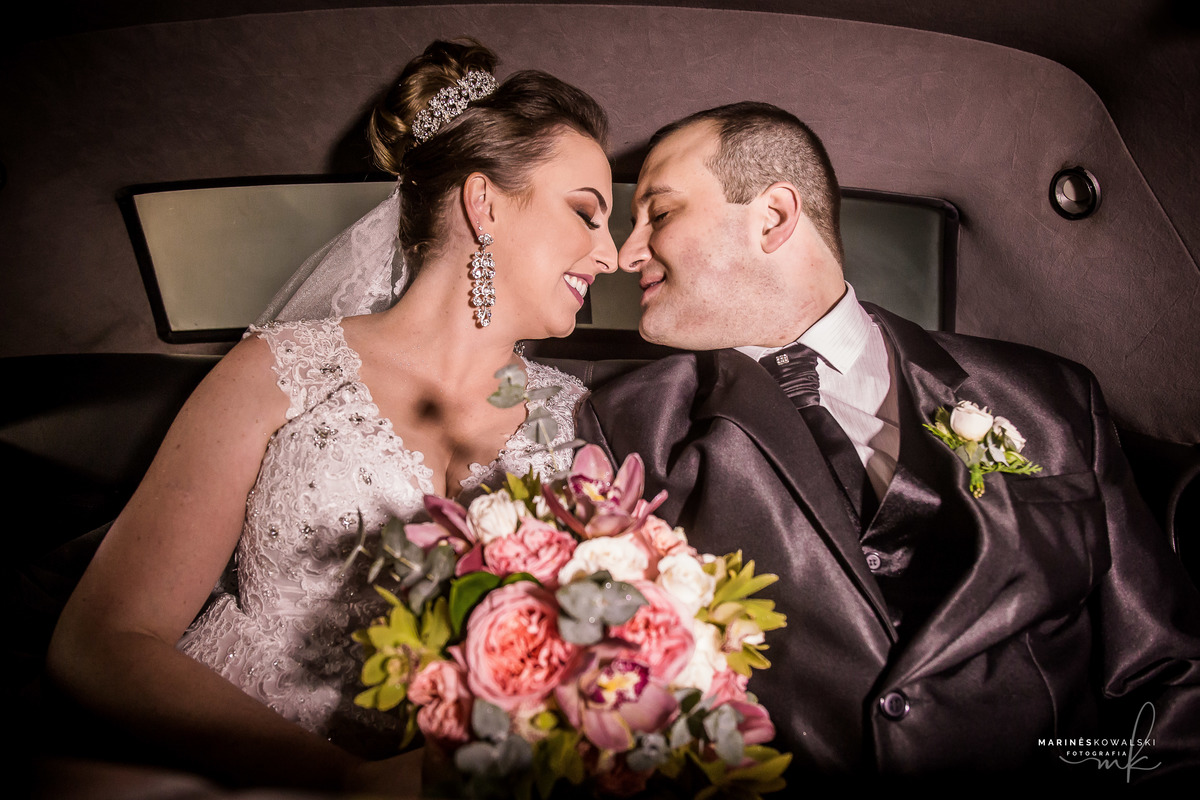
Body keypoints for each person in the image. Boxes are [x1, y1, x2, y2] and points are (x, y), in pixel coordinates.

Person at [48, 39, 617, 793]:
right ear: (483, 203)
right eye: (586, 214)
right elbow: (103, 641)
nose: (611, 255)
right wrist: (347, 782)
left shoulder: (578, 420)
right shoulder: (276, 370)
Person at [577, 102, 1200, 785]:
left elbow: (1168, 677)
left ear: (773, 217)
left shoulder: (1050, 398)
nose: (626, 253)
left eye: (659, 214)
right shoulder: (626, 428)